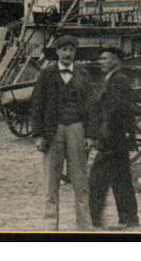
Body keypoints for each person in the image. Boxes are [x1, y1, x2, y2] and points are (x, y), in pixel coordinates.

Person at [30, 35, 98, 231]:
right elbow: (37, 105)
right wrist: (38, 135)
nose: (68, 54)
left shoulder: (83, 74)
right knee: (51, 181)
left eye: (71, 50)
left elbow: (91, 106)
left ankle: (85, 227)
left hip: (77, 128)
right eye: (64, 50)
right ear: (57, 52)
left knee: (80, 181)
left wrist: (90, 135)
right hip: (53, 130)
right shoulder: (46, 74)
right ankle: (50, 227)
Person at [88, 46, 139, 229]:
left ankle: (94, 219)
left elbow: (116, 110)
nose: (101, 62)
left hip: (112, 139)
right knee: (121, 179)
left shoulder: (118, 80)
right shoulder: (111, 79)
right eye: (100, 59)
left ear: (116, 60)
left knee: (97, 180)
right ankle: (129, 218)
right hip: (116, 139)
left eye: (105, 59)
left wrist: (104, 135)